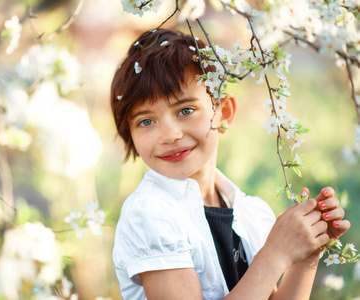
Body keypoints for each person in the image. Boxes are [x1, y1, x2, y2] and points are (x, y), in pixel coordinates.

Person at [110, 28, 350, 300]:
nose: (170, 135)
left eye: (185, 111)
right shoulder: (149, 214)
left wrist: (307, 251)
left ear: (223, 112)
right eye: (146, 121)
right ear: (129, 132)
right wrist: (274, 254)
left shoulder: (248, 212)